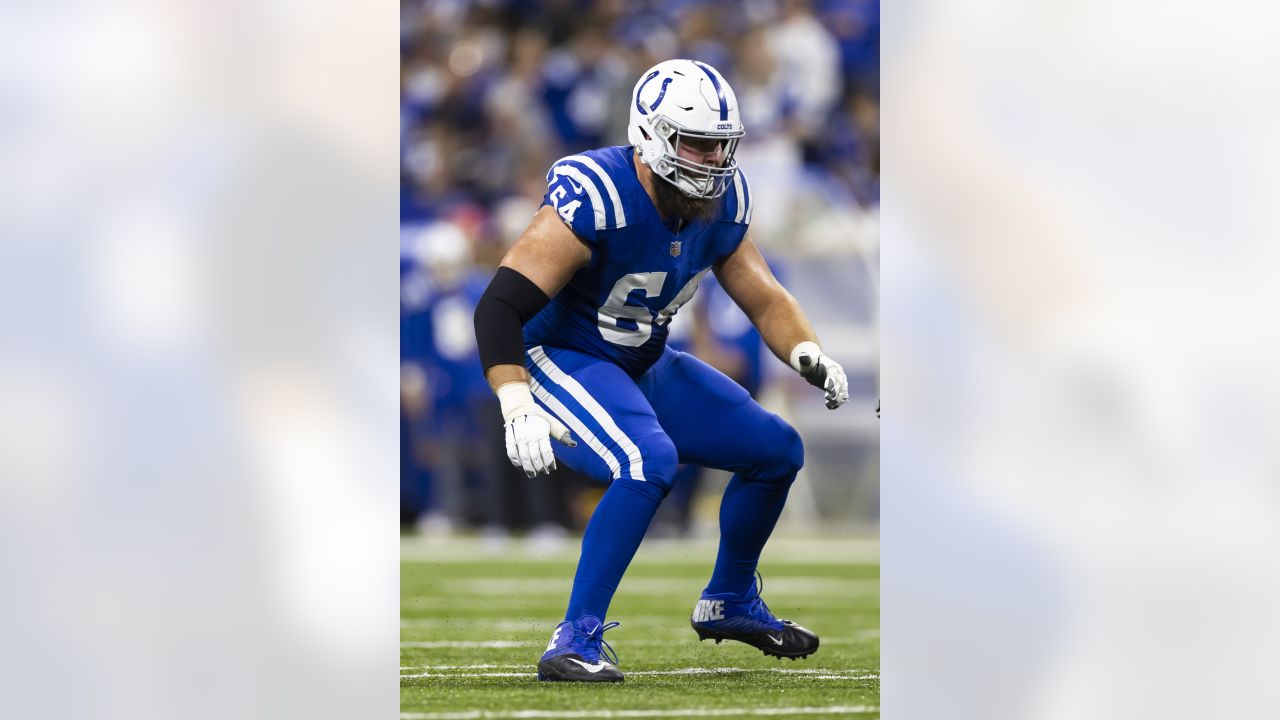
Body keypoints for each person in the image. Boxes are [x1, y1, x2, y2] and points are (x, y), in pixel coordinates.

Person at [472, 59, 849, 683]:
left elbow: (764, 295)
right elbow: (500, 305)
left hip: (642, 360)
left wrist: (806, 350)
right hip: (563, 357)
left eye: (721, 146)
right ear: (649, 135)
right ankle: (575, 637)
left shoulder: (723, 200)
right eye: (696, 144)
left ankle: (729, 600)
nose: (711, 161)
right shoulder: (599, 192)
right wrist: (516, 400)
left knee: (777, 449)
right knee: (648, 461)